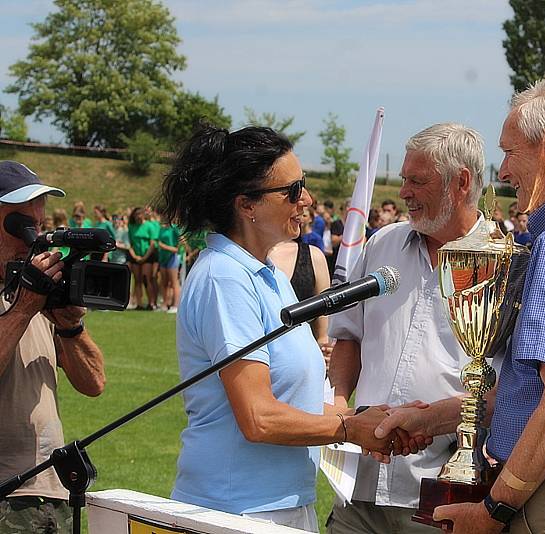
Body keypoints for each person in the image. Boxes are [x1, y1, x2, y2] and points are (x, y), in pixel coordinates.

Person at [376, 77, 545, 533]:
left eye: (510, 152)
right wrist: (432, 418)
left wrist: (493, 510)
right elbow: (532, 392)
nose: (502, 171)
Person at [158, 125, 405, 532]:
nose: (305, 199)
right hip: (238, 510)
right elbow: (258, 417)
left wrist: (373, 421)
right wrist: (349, 428)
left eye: (302, 186)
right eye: (292, 190)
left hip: (279, 504)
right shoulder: (226, 278)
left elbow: (295, 399)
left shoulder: (268, 274)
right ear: (247, 205)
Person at [326, 122, 486, 533]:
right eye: (403, 180)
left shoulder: (502, 263)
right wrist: (342, 406)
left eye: (417, 180)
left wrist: (429, 422)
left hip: (441, 494)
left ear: (461, 183)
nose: (403, 193)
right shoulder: (382, 244)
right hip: (357, 486)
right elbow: (348, 335)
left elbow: (508, 384)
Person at [0, 161, 105, 533]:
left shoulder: (36, 292)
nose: (33, 238)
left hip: (52, 490)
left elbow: (93, 383)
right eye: (19, 225)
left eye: (38, 225)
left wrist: (71, 324)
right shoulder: (30, 298)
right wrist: (26, 308)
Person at [268, 228, 333, 368]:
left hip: (304, 370)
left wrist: (325, 353)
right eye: (291, 203)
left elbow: (323, 333)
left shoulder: (313, 256)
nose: (303, 206)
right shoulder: (242, 259)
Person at [127, 207, 158, 310]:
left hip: (147, 256)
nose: (138, 217)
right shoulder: (131, 227)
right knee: (137, 280)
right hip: (135, 256)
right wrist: (135, 256)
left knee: (146, 278)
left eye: (140, 214)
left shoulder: (149, 226)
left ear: (143, 215)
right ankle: (139, 304)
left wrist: (144, 257)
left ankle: (151, 302)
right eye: (136, 215)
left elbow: (152, 243)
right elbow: (130, 243)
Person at [157, 216, 182, 313]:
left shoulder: (174, 228)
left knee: (174, 282)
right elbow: (158, 242)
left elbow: (181, 241)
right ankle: (165, 303)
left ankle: (175, 305)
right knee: (164, 282)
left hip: (172, 257)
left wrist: (169, 247)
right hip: (163, 257)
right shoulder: (162, 229)